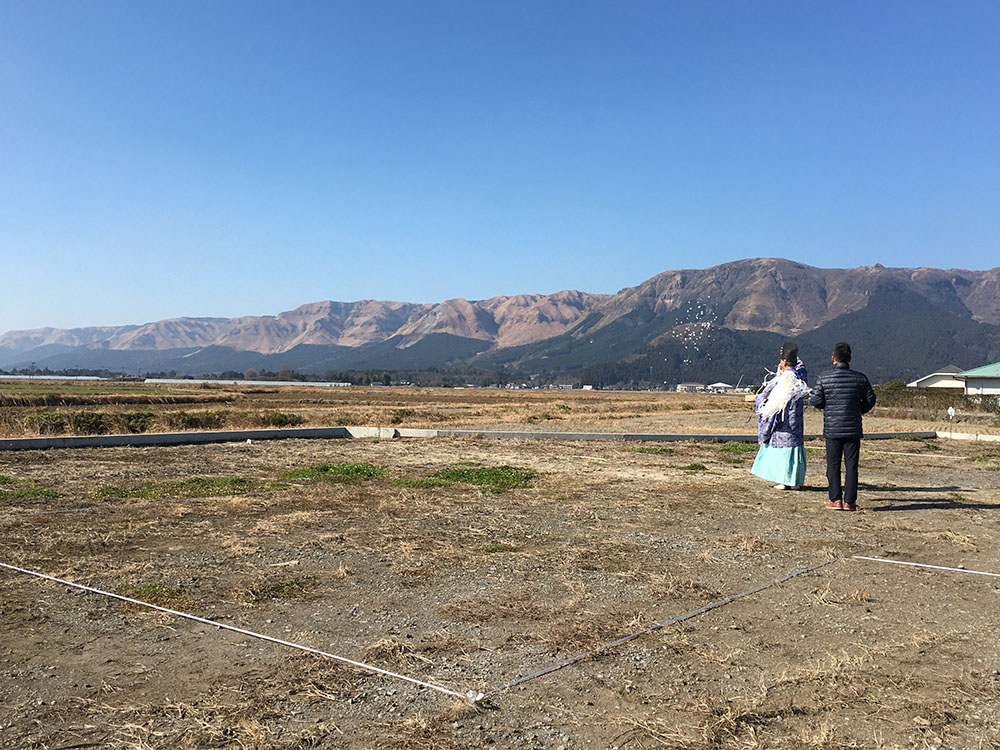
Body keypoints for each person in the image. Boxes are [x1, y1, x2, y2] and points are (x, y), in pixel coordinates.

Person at [809, 341, 877, 511]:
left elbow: (815, 400)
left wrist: (827, 407)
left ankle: (836, 499)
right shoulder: (860, 378)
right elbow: (871, 399)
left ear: (833, 358)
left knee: (833, 465)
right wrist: (859, 410)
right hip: (853, 428)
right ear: (850, 358)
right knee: (851, 466)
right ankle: (850, 501)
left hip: (832, 428)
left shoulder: (824, 378)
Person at [751, 341, 809, 490]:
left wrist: (759, 401)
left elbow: (763, 395)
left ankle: (783, 480)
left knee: (782, 450)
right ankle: (796, 481)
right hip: (796, 422)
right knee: (794, 448)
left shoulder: (779, 380)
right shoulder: (800, 379)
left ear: (783, 362)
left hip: (782, 422)